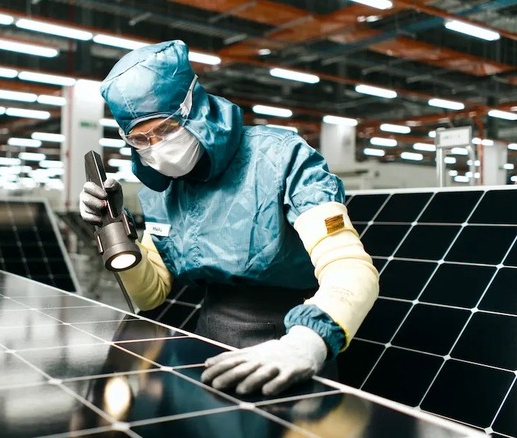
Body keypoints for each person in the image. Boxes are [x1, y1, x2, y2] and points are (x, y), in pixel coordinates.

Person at [79, 40, 379, 397]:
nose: (156, 146)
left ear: (195, 108)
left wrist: (307, 342)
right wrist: (116, 232)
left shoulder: (282, 159)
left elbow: (350, 267)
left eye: (166, 128)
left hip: (289, 346)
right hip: (208, 354)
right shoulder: (161, 190)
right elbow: (150, 294)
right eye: (141, 139)